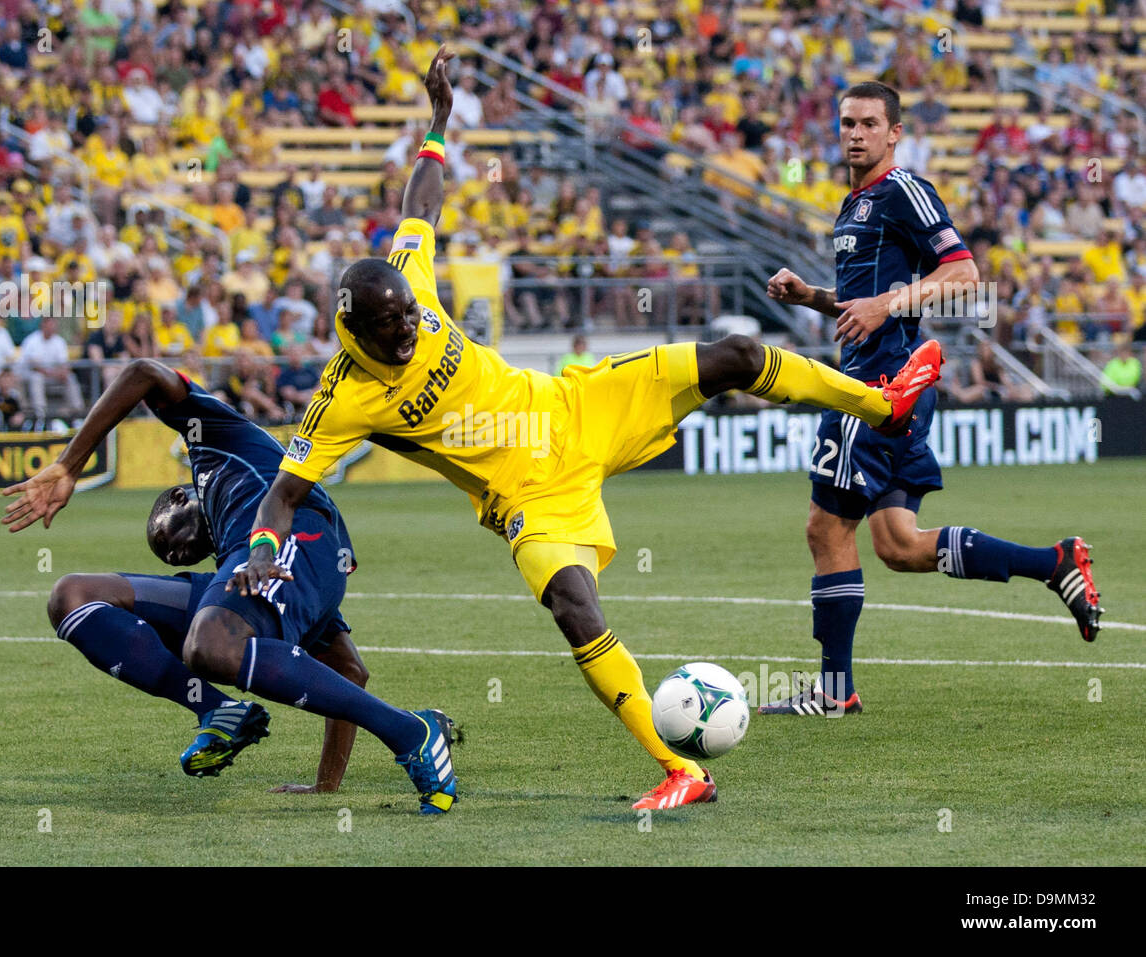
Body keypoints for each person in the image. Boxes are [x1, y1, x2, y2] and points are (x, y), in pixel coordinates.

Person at [230, 48, 942, 811]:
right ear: (352, 330)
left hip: (574, 405)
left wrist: (439, 117)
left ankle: (883, 403)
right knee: (574, 607)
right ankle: (683, 769)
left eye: (411, 315)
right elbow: (282, 491)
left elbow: (424, 201)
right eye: (390, 330)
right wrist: (266, 554)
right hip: (528, 493)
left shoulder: (411, 279)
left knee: (733, 354)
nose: (408, 332)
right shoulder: (341, 398)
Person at [764, 81, 1101, 718]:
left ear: (895, 133)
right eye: (846, 123)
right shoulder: (853, 204)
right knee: (898, 543)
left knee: (825, 528)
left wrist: (888, 304)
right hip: (888, 384)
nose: (855, 133)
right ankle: (1055, 562)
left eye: (868, 123)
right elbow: (864, 303)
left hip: (880, 388)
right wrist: (812, 296)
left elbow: (963, 276)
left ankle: (834, 693)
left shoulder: (903, 190)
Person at [1, 358, 458, 814]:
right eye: (175, 558)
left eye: (172, 540)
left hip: (296, 533)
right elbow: (348, 671)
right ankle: (217, 710)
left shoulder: (216, 443)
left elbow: (142, 372)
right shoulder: (231, 568)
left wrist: (68, 464)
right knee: (73, 596)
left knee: (212, 642)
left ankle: (409, 732)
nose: (179, 555)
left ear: (179, 497)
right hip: (250, 564)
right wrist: (325, 785)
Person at [16, 315, 85, 425]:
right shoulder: (32, 340)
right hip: (30, 376)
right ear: (43, 325)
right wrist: (54, 373)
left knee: (70, 377)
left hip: (52, 375)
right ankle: (40, 411)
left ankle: (77, 410)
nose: (52, 327)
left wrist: (62, 372)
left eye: (53, 325)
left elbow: (64, 365)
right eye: (49, 324)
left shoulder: (59, 341)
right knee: (36, 378)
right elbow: (35, 366)